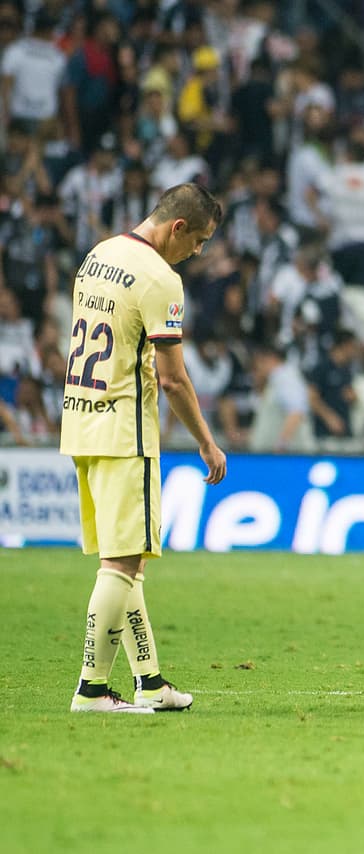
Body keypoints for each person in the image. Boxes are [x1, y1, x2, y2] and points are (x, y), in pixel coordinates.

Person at [61, 183, 227, 713]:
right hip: (124, 430)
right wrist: (207, 442)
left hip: (81, 422)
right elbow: (172, 379)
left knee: (125, 560)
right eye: (199, 240)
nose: (197, 252)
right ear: (177, 227)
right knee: (120, 564)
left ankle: (150, 682)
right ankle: (91, 689)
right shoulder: (160, 278)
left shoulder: (99, 254)